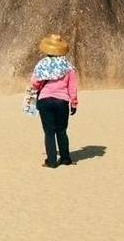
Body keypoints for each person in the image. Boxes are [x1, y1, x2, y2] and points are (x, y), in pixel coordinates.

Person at [30, 34, 78, 168]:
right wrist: (73, 103)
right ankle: (65, 159)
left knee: (49, 132)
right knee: (62, 131)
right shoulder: (68, 67)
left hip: (44, 100)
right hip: (62, 102)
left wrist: (39, 88)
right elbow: (72, 87)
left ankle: (51, 161)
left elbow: (34, 82)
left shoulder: (41, 64)